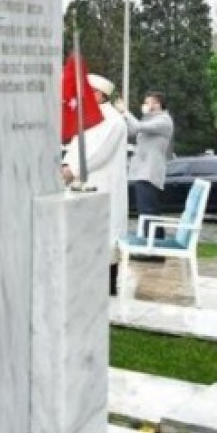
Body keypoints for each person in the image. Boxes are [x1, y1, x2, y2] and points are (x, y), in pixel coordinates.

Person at [61, 74, 128, 294]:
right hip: (80, 186)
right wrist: (66, 166)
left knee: (106, 235)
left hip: (103, 185)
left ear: (98, 94)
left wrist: (72, 171)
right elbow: (74, 146)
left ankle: (107, 285)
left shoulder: (113, 120)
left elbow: (98, 154)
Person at [120, 90, 175, 248]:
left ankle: (154, 246)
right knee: (146, 211)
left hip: (150, 173)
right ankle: (152, 244)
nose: (145, 104)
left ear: (157, 104)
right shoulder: (151, 119)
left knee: (149, 211)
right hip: (142, 172)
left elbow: (137, 126)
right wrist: (123, 117)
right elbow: (132, 130)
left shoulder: (164, 121)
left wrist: (125, 111)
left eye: (148, 101)